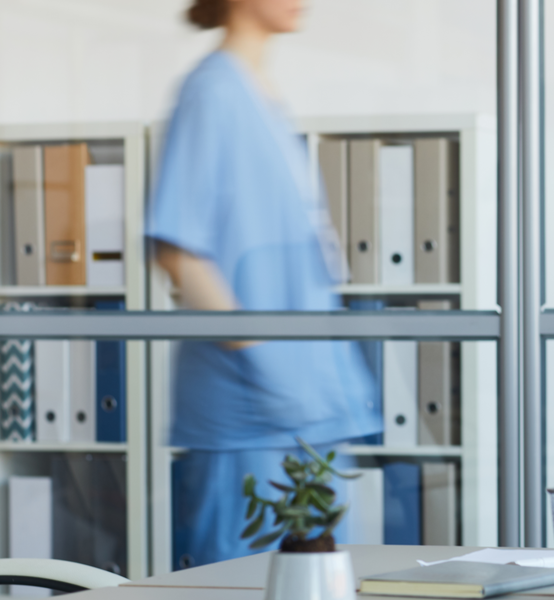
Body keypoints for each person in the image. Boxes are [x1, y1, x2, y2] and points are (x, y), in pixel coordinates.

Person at [147, 0, 380, 567]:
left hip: (307, 404)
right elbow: (177, 250)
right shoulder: (214, 91)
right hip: (251, 405)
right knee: (239, 581)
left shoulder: (263, 93)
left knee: (315, 577)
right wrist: (265, 359)